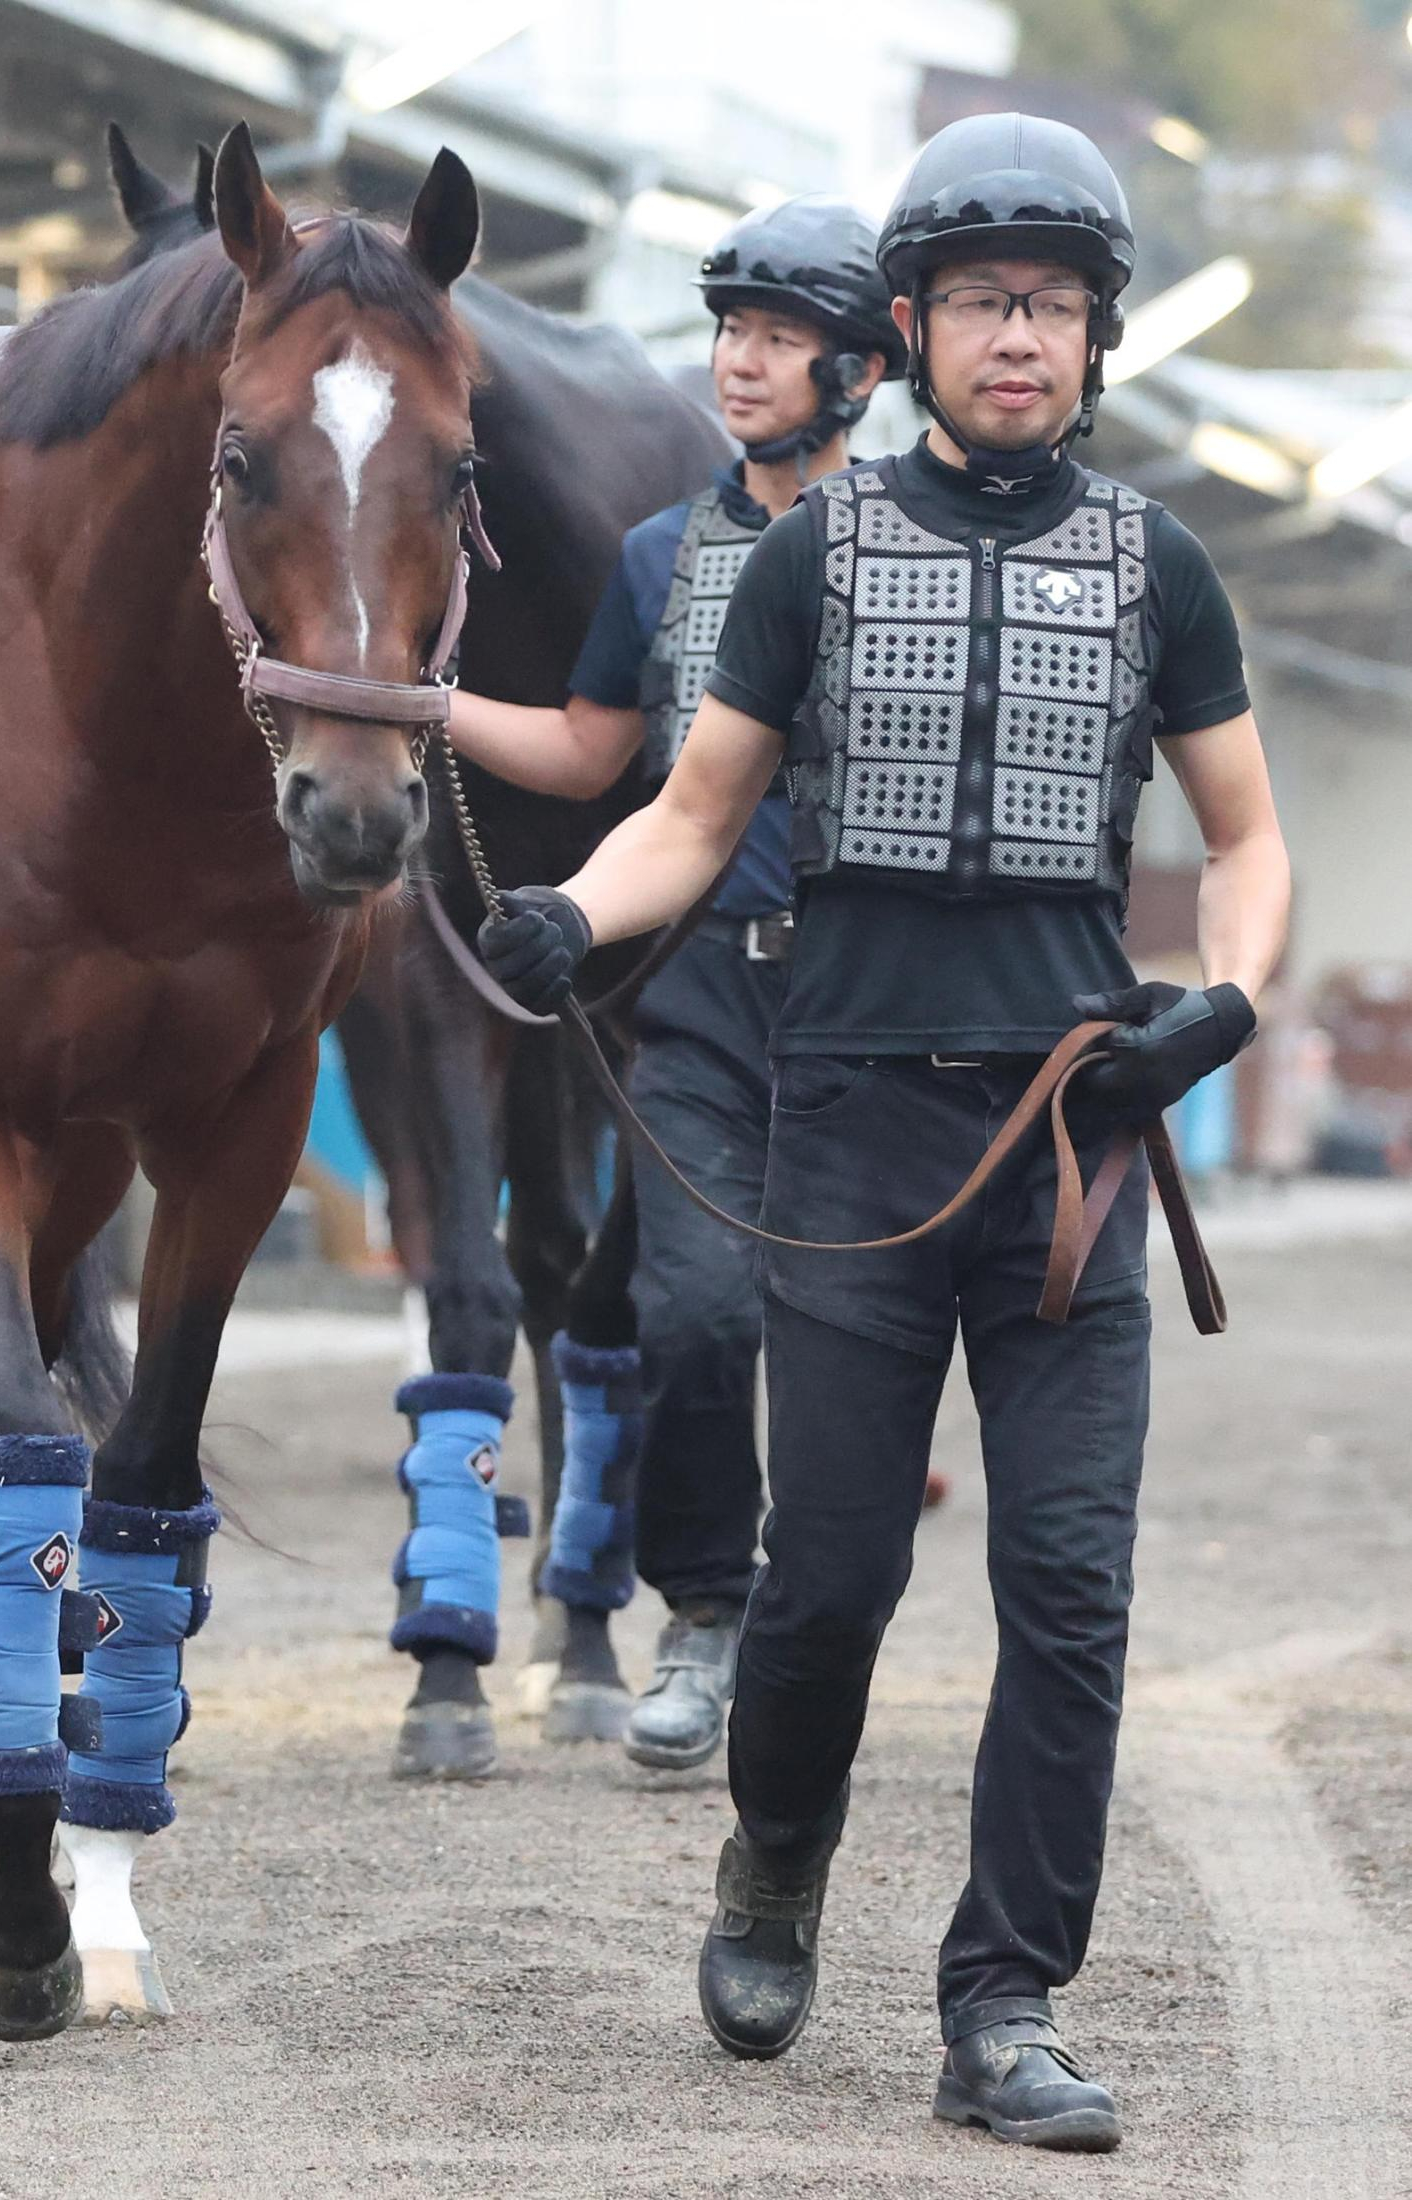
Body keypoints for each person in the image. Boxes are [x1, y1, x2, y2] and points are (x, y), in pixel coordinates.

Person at [475, 114, 1290, 2152]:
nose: (1016, 337)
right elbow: (688, 808)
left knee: (1068, 1583)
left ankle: (1000, 1995)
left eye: (1052, 306)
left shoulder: (1156, 564)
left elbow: (1248, 837)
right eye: (979, 303)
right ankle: (772, 1851)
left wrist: (1213, 1005)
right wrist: (573, 910)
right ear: (910, 329)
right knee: (824, 1580)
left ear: (1090, 338)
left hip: (1070, 1149)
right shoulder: (806, 559)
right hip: (839, 1135)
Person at [444, 198, 919, 1769]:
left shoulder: (928, 546)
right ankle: (703, 1613)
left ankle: (816, 1626)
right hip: (707, 987)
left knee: (851, 1333)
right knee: (695, 1317)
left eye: (778, 339)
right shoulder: (660, 557)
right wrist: (417, 701)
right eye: (729, 331)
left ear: (857, 370)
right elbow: (592, 755)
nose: (739, 362)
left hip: (886, 999)